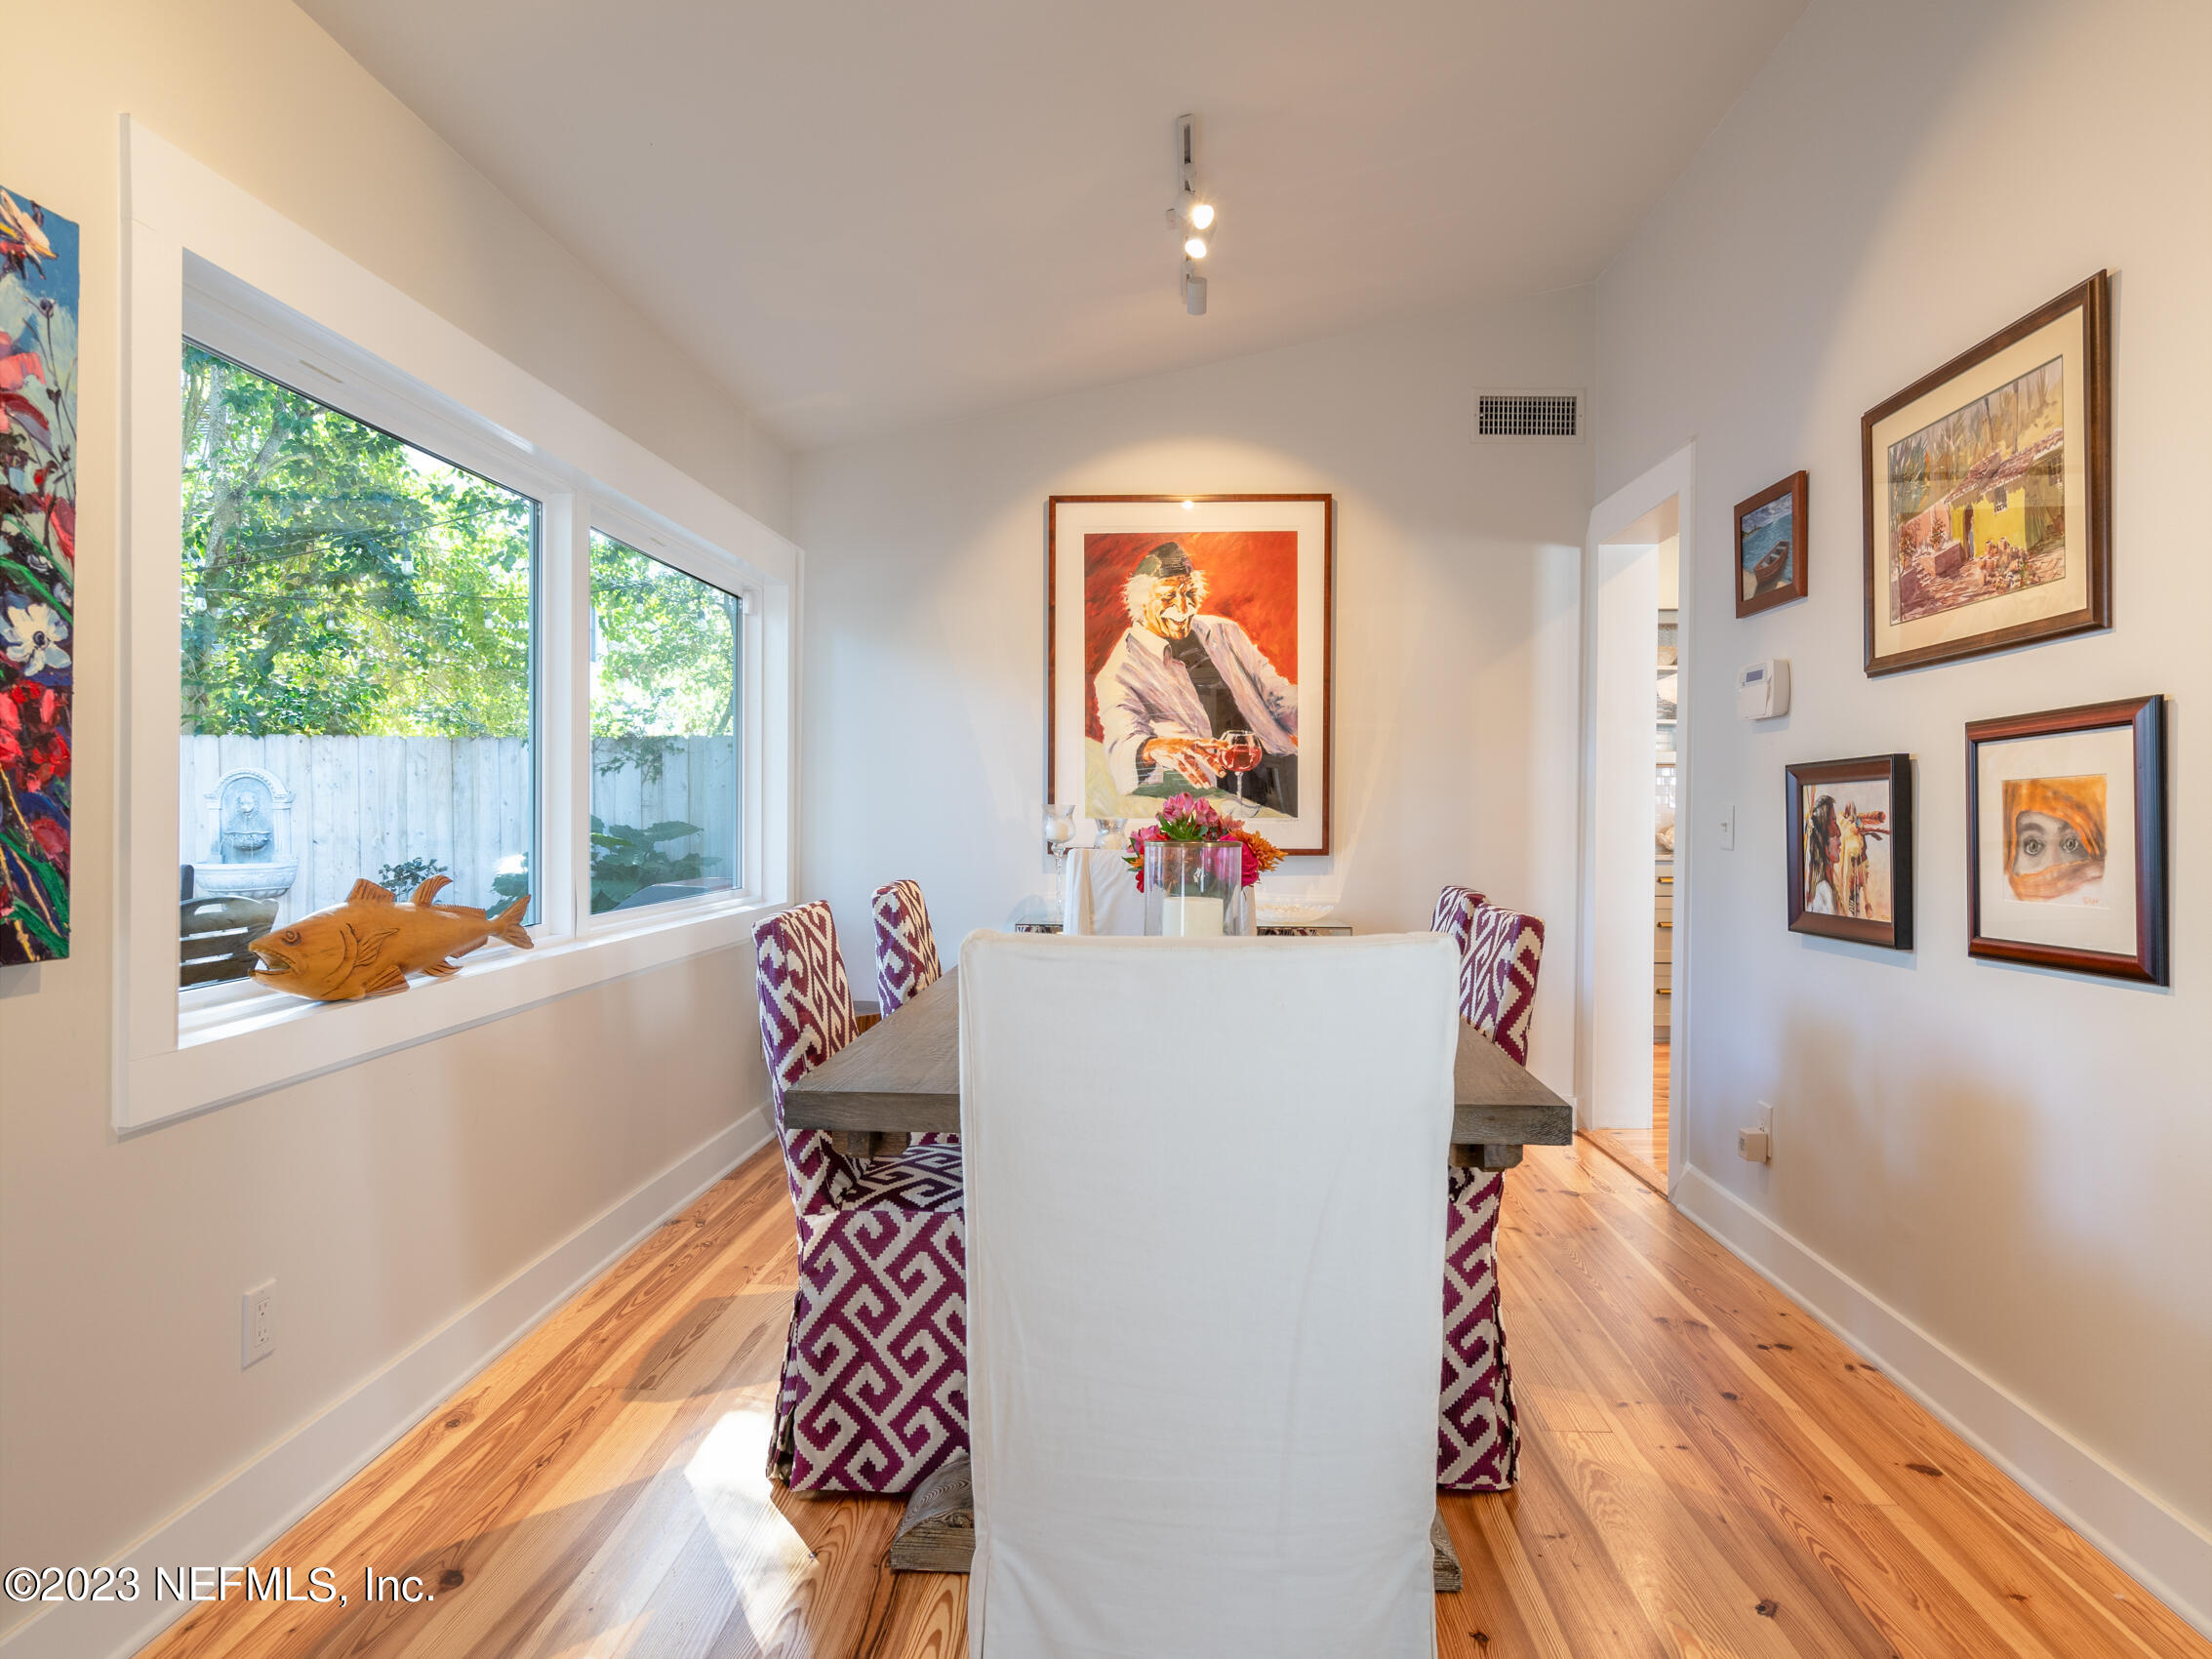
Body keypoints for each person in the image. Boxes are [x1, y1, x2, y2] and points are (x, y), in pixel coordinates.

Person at [1094, 543, 1299, 813]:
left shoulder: (1225, 631)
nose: (1184, 607)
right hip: (1214, 790)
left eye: (1190, 593)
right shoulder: (1121, 670)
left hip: (1282, 767)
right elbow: (1122, 745)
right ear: (1141, 603)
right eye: (1168, 597)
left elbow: (1276, 695)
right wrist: (1153, 747)